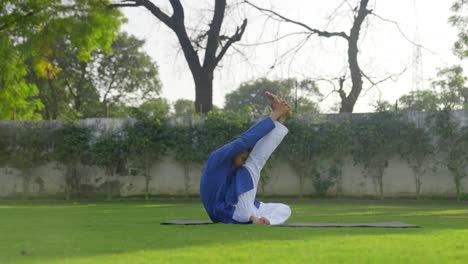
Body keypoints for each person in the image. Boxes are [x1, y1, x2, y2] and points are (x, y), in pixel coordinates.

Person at [199, 91, 292, 225]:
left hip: (243, 211)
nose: (243, 162)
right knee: (254, 162)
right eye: (242, 158)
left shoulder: (234, 167)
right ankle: (251, 217)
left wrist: (280, 118)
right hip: (228, 211)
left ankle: (264, 221)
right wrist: (276, 114)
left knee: (284, 209)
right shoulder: (218, 157)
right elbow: (245, 141)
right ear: (235, 152)